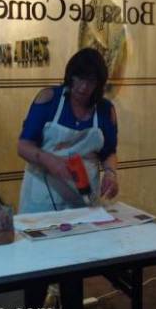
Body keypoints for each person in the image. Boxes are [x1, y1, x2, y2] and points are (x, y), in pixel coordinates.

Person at [17, 47, 118, 214]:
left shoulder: (105, 110)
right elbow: (23, 146)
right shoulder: (49, 99)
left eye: (91, 81)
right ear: (71, 75)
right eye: (79, 78)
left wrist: (110, 173)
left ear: (99, 83)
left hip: (84, 198)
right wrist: (49, 160)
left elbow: (109, 153)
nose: (83, 87)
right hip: (42, 198)